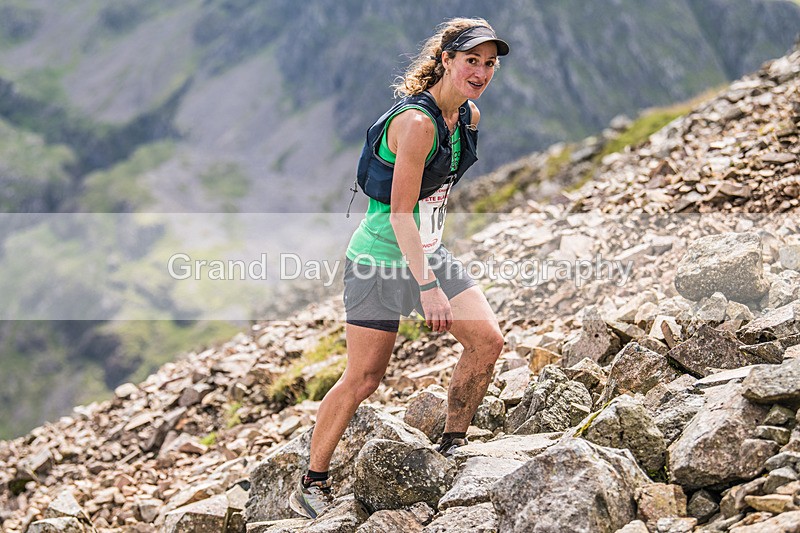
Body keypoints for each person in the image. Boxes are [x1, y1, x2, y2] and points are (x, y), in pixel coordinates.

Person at [290, 17, 509, 519]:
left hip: (427, 250)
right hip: (380, 262)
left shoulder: (467, 118)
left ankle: (454, 443)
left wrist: (431, 268)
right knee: (364, 377)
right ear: (446, 60)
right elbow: (398, 212)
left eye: (489, 63)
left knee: (488, 341)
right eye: (470, 60)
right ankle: (311, 480)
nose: (480, 71)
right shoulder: (416, 124)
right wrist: (427, 288)